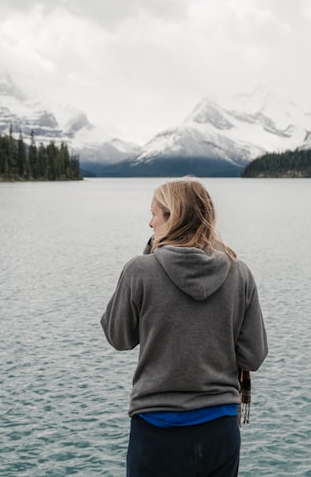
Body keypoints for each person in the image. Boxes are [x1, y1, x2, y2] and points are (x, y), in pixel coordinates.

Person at [101, 179, 268, 477]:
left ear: (174, 218)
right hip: (220, 428)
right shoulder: (238, 272)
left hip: (156, 430)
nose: (150, 222)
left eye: (156, 214)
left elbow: (118, 337)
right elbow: (253, 356)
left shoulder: (140, 270)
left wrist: (148, 260)